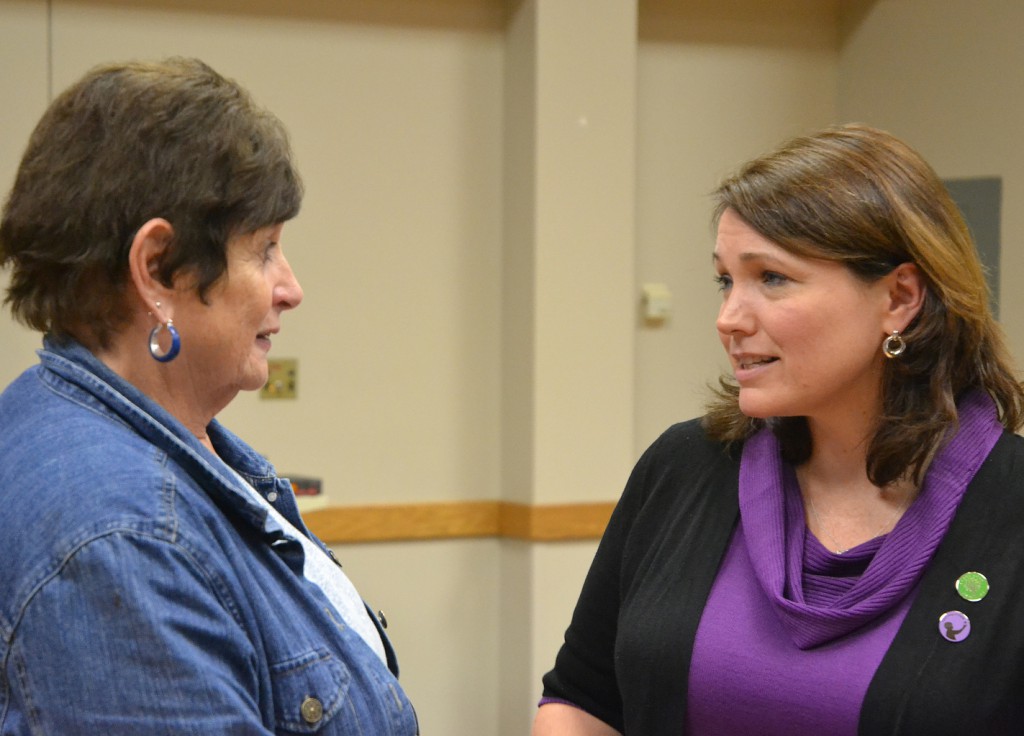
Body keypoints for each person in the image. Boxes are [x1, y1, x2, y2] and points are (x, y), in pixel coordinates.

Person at [532, 124, 1024, 735]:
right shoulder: (686, 466)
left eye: (771, 278)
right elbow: (582, 698)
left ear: (899, 297)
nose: (728, 319)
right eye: (725, 279)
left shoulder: (1010, 504)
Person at [0, 58, 418, 734]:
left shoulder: (137, 444)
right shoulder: (120, 536)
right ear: (157, 268)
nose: (291, 287)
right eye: (266, 250)